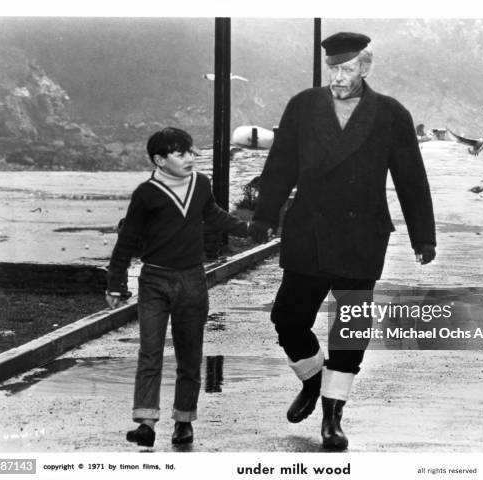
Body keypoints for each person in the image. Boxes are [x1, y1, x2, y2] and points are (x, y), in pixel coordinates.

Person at [249, 32, 436, 450]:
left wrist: (423, 236)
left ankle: (332, 417)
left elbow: (410, 177)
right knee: (288, 319)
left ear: (365, 68)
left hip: (361, 235)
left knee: (350, 327)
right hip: (307, 231)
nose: (338, 76)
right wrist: (264, 216)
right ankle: (314, 379)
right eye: (333, 68)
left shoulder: (390, 114)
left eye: (347, 69)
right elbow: (280, 164)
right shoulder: (303, 105)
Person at [106, 127, 249, 448]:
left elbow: (212, 214)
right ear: (159, 159)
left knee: (189, 355)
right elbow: (128, 239)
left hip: (192, 281)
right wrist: (115, 282)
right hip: (154, 281)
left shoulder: (201, 184)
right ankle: (145, 422)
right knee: (150, 353)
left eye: (190, 151)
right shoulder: (146, 193)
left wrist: (249, 229)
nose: (189, 158)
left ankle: (184, 422)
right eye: (180, 153)